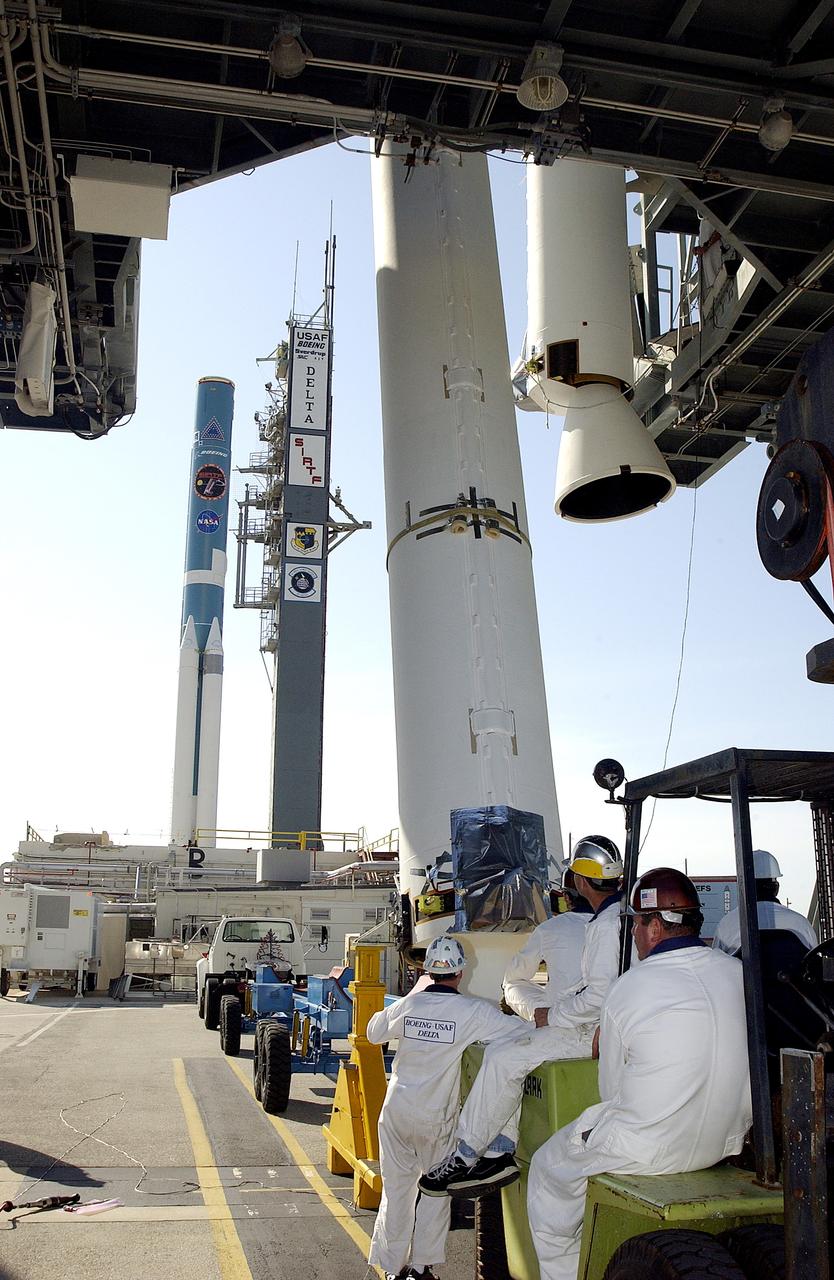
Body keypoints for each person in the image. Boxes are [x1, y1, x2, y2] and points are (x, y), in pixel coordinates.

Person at [527, 868, 752, 1280]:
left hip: (649, 1148)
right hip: (726, 1141)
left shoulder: (630, 988)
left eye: (635, 923)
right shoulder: (738, 974)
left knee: (545, 1173)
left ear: (652, 928)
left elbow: (611, 1090)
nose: (632, 932)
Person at [419, 836, 624, 1198]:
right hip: (603, 1024)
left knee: (502, 1057)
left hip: (583, 1028)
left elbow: (592, 996)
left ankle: (466, 1155)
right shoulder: (619, 917)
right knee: (512, 1050)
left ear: (575, 883)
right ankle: (500, 1147)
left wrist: (543, 1013)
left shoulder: (595, 927)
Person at [366, 934, 527, 1280]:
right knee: (435, 1193)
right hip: (433, 1117)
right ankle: (421, 1270)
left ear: (426, 970)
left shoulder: (409, 1006)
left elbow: (373, 1031)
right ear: (460, 972)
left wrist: (411, 997)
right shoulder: (471, 1012)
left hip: (395, 1112)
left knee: (396, 1194)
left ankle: (391, 1268)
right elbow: (517, 1032)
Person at [503, 870, 591, 1025]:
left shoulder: (549, 928)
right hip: (603, 1013)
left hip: (560, 1016)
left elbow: (516, 974)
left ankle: (541, 1017)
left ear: (566, 897)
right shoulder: (619, 924)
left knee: (511, 984)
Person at [712, 849, 818, 954]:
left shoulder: (726, 924)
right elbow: (814, 961)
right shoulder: (800, 923)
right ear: (776, 887)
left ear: (744, 886)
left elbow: (717, 964)